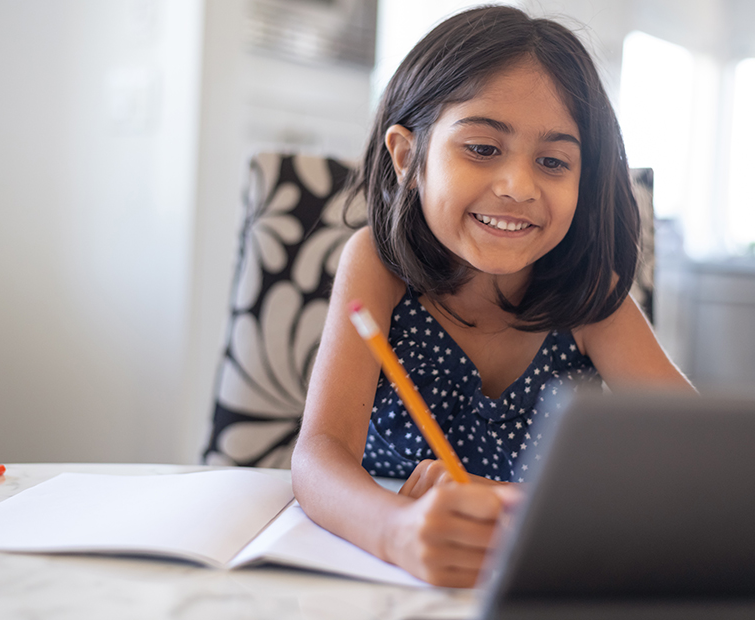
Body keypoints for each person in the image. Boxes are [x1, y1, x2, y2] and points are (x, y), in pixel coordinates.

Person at [291, 5, 694, 588]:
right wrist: (396, 531)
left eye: (554, 161)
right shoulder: (376, 265)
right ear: (409, 158)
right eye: (482, 148)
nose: (518, 187)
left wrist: (520, 503)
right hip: (383, 579)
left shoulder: (591, 294)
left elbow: (697, 458)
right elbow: (318, 455)